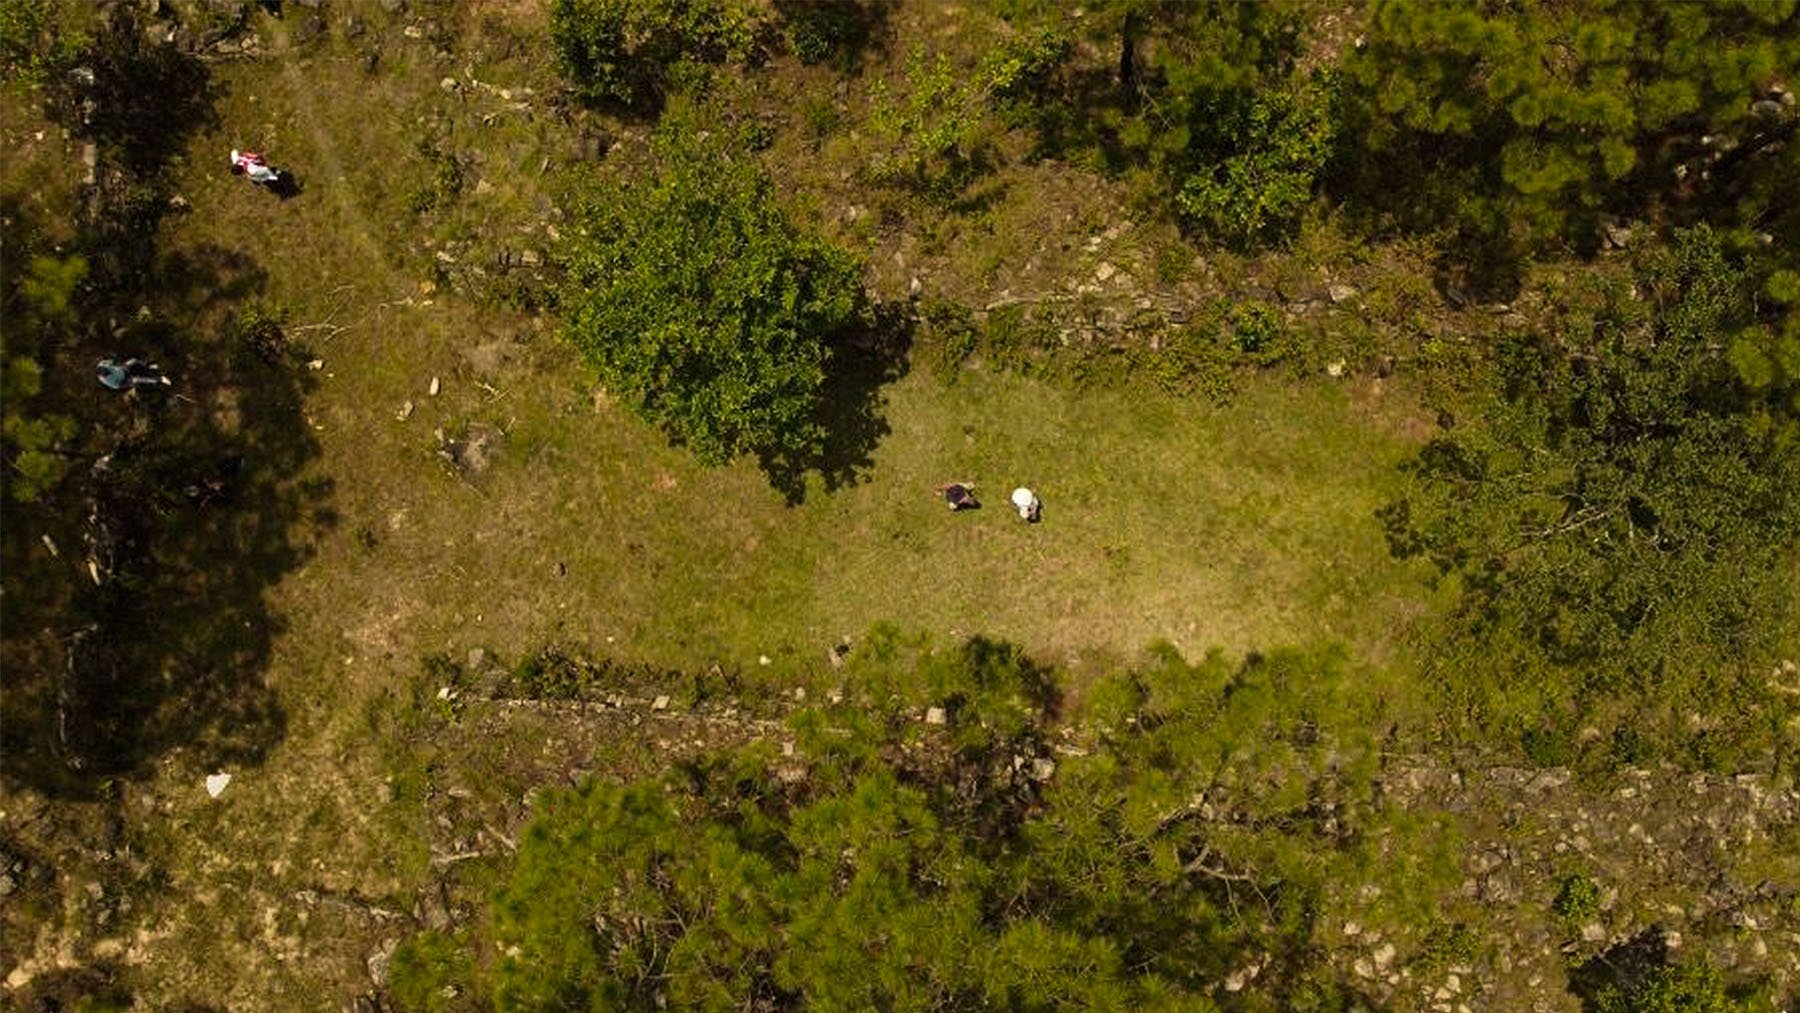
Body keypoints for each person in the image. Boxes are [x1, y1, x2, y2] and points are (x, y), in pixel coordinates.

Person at [95, 358, 170, 390]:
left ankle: (149, 366)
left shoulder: (102, 364)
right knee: (136, 379)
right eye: (106, 373)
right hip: (124, 380)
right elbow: (118, 386)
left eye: (106, 370)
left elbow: (114, 362)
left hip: (122, 369)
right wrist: (129, 384)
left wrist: (122, 365)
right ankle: (160, 379)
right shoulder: (107, 380)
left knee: (133, 360)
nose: (108, 372)